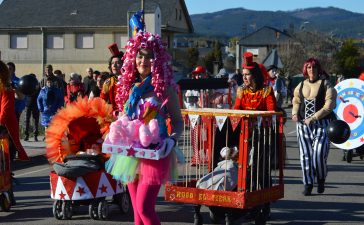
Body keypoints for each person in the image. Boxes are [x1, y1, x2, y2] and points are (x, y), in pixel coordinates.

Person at [106, 32, 183, 225]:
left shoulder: (165, 88)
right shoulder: (131, 88)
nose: (144, 60)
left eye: (149, 56)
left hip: (154, 154)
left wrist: (172, 140)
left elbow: (178, 122)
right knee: (137, 216)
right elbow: (126, 118)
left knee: (145, 208)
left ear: (157, 61)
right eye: (140, 56)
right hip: (130, 154)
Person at [292, 58, 337, 196]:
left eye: (314, 67)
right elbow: (296, 101)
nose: (312, 70)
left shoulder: (326, 85)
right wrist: (294, 113)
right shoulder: (300, 85)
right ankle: (308, 183)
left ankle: (321, 178)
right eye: (309, 67)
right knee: (305, 155)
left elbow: (328, 106)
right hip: (303, 125)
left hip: (322, 125)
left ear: (319, 69)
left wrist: (313, 118)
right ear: (306, 69)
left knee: (318, 154)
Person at [0, 60, 29, 205]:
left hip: (5, 130)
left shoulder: (8, 87)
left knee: (5, 163)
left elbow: (5, 111)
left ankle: (8, 190)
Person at [100, 43, 124, 113]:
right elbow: (102, 100)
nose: (114, 65)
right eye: (112, 63)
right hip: (113, 117)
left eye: (118, 63)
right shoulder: (108, 82)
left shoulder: (130, 80)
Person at [24, 74, 40, 142]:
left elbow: (40, 95)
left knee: (35, 120)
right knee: (26, 120)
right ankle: (26, 135)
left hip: (35, 105)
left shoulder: (37, 86)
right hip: (28, 104)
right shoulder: (26, 85)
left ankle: (35, 135)